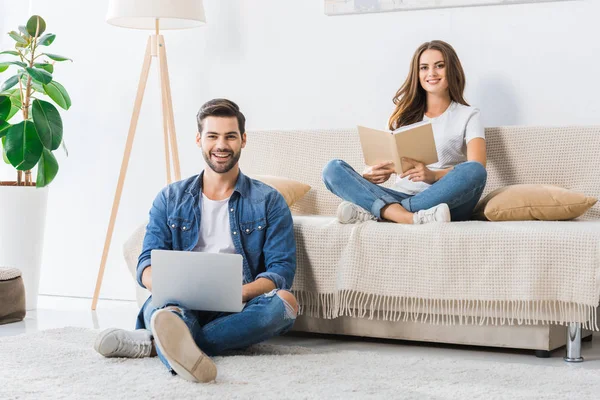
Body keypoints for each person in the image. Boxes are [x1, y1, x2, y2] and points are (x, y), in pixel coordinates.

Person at [94, 99, 298, 383]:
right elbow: (146, 264)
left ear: (243, 140)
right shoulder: (170, 197)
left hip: (239, 303)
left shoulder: (269, 200)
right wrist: (168, 288)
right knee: (166, 312)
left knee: (285, 303)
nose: (221, 145)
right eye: (213, 136)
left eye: (230, 136)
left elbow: (281, 272)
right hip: (178, 303)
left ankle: (156, 344)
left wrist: (238, 292)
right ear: (199, 139)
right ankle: (178, 339)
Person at [322, 40, 487, 224]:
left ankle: (383, 213)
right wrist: (368, 176)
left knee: (474, 171)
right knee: (332, 169)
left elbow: (477, 165)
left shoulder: (469, 115)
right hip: (398, 194)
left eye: (439, 66)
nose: (431, 73)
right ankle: (407, 217)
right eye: (424, 68)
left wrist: (432, 176)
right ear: (417, 74)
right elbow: (386, 162)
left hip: (443, 201)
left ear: (452, 69)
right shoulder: (401, 115)